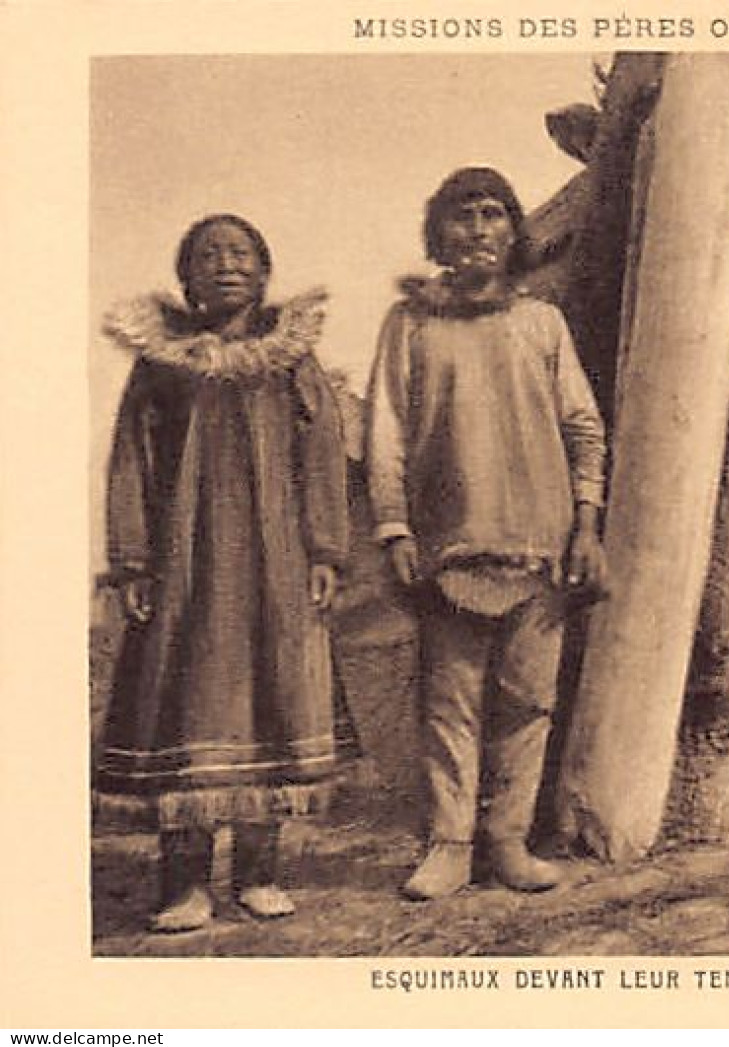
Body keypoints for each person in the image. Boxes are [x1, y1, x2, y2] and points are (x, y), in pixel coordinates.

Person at [97, 214, 357, 933]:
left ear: (264, 271)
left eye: (240, 252)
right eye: (208, 254)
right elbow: (130, 463)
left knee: (275, 702)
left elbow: (324, 456)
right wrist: (132, 562)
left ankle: (259, 873)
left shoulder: (290, 360)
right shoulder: (162, 363)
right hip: (188, 573)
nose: (226, 263)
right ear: (186, 278)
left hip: (276, 567)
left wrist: (326, 552)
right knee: (184, 709)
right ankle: (183, 885)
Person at [366, 166, 608, 901]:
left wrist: (586, 524)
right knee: (450, 703)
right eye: (462, 216)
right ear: (437, 233)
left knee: (527, 698)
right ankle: (448, 844)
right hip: (448, 543)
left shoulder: (541, 322)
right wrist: (393, 526)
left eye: (493, 214)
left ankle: (507, 840)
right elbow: (386, 432)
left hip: (539, 539)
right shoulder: (408, 324)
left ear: (514, 231)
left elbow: (583, 427)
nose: (478, 230)